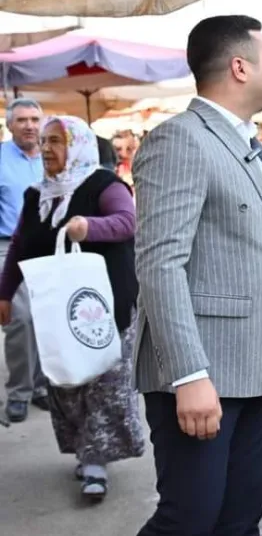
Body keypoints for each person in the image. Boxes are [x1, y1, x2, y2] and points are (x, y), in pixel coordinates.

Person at [133, 15, 262, 535]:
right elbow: (159, 264)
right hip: (200, 374)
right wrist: (188, 374)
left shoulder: (258, 152)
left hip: (256, 369)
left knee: (240, 519)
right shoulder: (180, 140)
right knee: (189, 519)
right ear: (240, 66)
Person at [0, 116, 144, 500]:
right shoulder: (38, 195)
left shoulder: (104, 184)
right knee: (66, 382)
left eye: (57, 141)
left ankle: (96, 461)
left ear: (77, 144)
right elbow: (19, 246)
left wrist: (89, 227)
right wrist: (4, 293)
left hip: (104, 306)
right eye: (44, 141)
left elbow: (127, 222)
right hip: (56, 309)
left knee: (103, 382)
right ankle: (84, 450)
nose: (47, 148)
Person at [0, 98, 46, 423]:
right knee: (22, 319)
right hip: (7, 248)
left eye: (34, 119)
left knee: (47, 319)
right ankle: (19, 391)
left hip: (51, 249)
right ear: (9, 125)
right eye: (22, 120)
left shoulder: (55, 153)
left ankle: (42, 386)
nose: (29, 125)